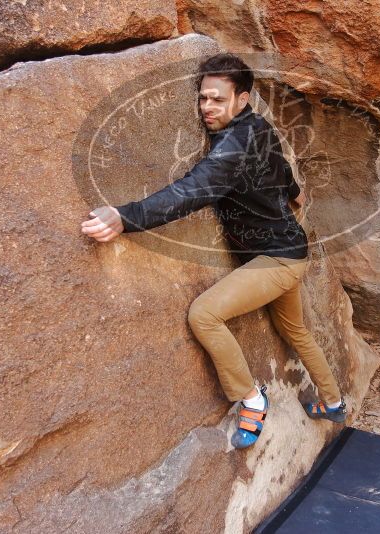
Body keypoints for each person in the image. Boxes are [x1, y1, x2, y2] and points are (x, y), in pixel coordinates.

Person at [81, 53, 346, 449]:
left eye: (217, 100)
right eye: (203, 98)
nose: (207, 107)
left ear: (241, 99)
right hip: (289, 249)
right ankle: (334, 402)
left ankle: (252, 399)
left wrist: (125, 216)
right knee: (295, 329)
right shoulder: (257, 125)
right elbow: (278, 164)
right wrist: (293, 191)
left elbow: (189, 191)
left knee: (204, 315)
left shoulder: (232, 149)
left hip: (276, 260)